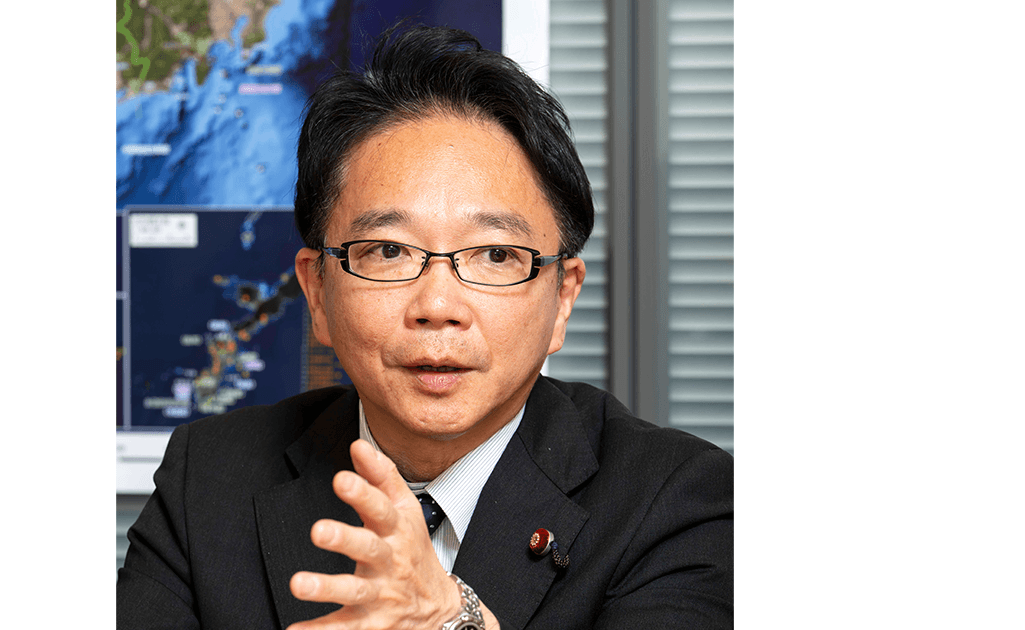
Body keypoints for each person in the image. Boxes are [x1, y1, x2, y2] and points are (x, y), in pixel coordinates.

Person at [118, 24, 732, 630]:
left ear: (562, 299)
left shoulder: (676, 500)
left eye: (495, 254)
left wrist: (450, 620)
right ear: (318, 292)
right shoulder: (208, 479)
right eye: (389, 251)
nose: (438, 305)